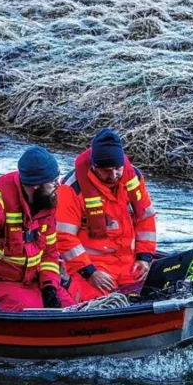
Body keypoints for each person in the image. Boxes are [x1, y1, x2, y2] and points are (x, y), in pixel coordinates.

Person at [0, 146, 74, 314]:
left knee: (71, 307)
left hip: (31, 280)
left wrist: (49, 287)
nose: (57, 186)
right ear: (36, 186)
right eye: (53, 182)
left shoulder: (45, 205)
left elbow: (49, 253)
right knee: (35, 315)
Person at [55, 128, 157, 303]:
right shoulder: (72, 189)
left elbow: (145, 219)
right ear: (94, 167)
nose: (114, 175)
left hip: (129, 263)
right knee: (94, 305)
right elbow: (64, 237)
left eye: (117, 169)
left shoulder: (134, 178)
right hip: (91, 267)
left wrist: (144, 257)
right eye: (107, 170)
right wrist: (90, 272)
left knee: (151, 295)